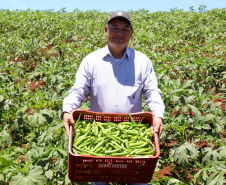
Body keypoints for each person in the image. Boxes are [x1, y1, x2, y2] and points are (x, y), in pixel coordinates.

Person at [62, 10, 165, 185]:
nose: (120, 32)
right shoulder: (91, 61)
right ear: (106, 30)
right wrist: (67, 110)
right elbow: (78, 90)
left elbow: (152, 92)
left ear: (132, 33)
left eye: (125, 28)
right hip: (98, 132)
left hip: (133, 131)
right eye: (114, 27)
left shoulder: (142, 61)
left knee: (137, 181)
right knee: (99, 181)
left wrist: (158, 114)